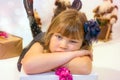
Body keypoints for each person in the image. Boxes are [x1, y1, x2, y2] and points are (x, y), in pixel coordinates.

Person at [18, 8, 100, 76]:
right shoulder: (41, 42)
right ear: (51, 34)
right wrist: (74, 54)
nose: (63, 46)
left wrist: (44, 64)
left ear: (82, 43)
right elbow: (29, 65)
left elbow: (85, 67)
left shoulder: (83, 48)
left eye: (72, 41)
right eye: (59, 37)